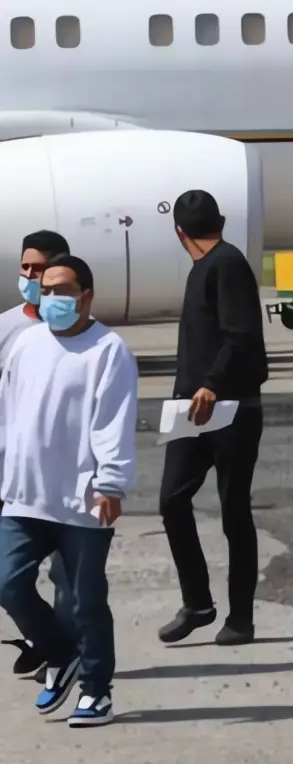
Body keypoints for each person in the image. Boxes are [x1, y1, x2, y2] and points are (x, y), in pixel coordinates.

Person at [0, 254, 138, 727]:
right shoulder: (26, 344)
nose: (53, 297)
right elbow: (7, 412)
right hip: (24, 495)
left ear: (86, 296)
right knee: (7, 583)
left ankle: (97, 691)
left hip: (83, 499)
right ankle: (59, 654)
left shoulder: (108, 349)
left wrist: (111, 483)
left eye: (63, 289)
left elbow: (113, 421)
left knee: (84, 601)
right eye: (47, 288)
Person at [156, 191, 270, 647]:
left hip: (230, 406)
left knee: (233, 510)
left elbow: (240, 335)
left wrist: (212, 383)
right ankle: (198, 603)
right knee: (171, 501)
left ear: (178, 231)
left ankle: (240, 617)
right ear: (218, 221)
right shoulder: (205, 267)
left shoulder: (227, 264)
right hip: (190, 407)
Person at [0, 231, 73, 680]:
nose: (29, 276)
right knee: (9, 577)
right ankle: (49, 642)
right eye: (24, 268)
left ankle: (61, 648)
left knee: (67, 579)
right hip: (9, 470)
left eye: (38, 268)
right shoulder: (7, 325)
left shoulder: (75, 330)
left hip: (61, 476)